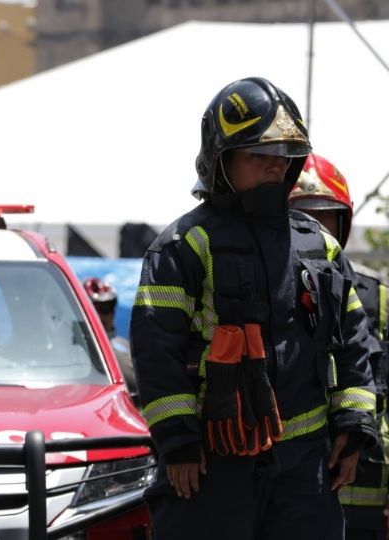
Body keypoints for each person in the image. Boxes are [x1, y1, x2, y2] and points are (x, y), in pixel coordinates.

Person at [130, 77, 377, 539]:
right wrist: (178, 443)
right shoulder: (183, 246)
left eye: (283, 158)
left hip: (305, 469)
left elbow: (354, 346)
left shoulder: (318, 245)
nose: (273, 169)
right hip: (211, 466)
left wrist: (353, 425)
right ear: (221, 161)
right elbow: (156, 352)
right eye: (258, 156)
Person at [289, 153, 389, 540]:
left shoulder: (378, 299)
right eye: (300, 217)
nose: (313, 229)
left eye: (324, 217)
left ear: (342, 223)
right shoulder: (263, 296)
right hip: (293, 486)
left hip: (366, 487)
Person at [82, 277, 137, 403]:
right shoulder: (71, 351)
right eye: (98, 307)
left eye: (109, 307)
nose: (106, 315)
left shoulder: (127, 346)